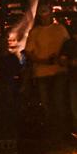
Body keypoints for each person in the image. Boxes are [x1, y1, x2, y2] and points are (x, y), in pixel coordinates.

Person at [25, 8, 70, 140]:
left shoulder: (60, 29)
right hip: (41, 73)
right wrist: (43, 61)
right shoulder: (35, 32)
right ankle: (51, 132)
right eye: (42, 16)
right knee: (46, 104)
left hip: (59, 71)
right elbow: (29, 52)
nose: (45, 18)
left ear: (51, 15)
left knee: (59, 101)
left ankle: (62, 132)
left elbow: (68, 46)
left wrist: (61, 60)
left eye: (47, 16)